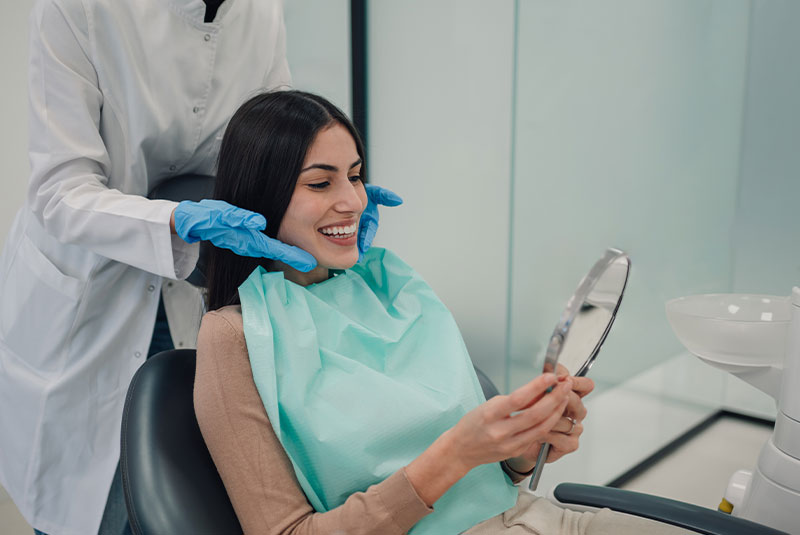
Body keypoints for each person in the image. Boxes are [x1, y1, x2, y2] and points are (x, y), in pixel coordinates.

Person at [194, 90, 691, 534]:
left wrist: (522, 447)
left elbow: (488, 481)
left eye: (356, 176)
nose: (352, 201)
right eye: (320, 184)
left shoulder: (391, 286)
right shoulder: (235, 336)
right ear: (260, 197)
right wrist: (456, 453)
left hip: (527, 517)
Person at [0, 1, 398, 534]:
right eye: (334, 181)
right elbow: (59, 190)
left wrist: (325, 198)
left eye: (355, 177)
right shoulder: (77, 8)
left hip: (203, 288)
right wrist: (176, 220)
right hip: (90, 290)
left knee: (189, 494)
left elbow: (272, 144)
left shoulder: (260, 12)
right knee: (89, 508)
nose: (350, 195)